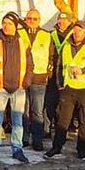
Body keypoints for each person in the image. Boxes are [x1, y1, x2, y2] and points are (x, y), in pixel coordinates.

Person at [47, 22, 85, 160]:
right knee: (63, 120)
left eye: (79, 30)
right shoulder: (66, 46)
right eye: (75, 30)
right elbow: (59, 66)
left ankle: (82, 150)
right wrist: (60, 85)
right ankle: (56, 147)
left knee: (84, 122)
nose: (76, 32)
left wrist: (84, 71)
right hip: (68, 89)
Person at [0, 12, 33, 164]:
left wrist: (26, 82)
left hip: (19, 88)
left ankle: (17, 149)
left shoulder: (23, 41)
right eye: (4, 23)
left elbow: (30, 64)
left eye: (10, 23)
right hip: (0, 87)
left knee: (18, 121)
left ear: (16, 26)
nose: (6, 26)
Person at [21, 9, 57, 152]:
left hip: (39, 78)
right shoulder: (19, 33)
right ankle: (23, 139)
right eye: (29, 18)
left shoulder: (46, 35)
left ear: (39, 20)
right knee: (22, 111)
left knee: (37, 112)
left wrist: (49, 72)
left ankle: (37, 140)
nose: (31, 21)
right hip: (22, 77)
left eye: (35, 19)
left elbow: (52, 56)